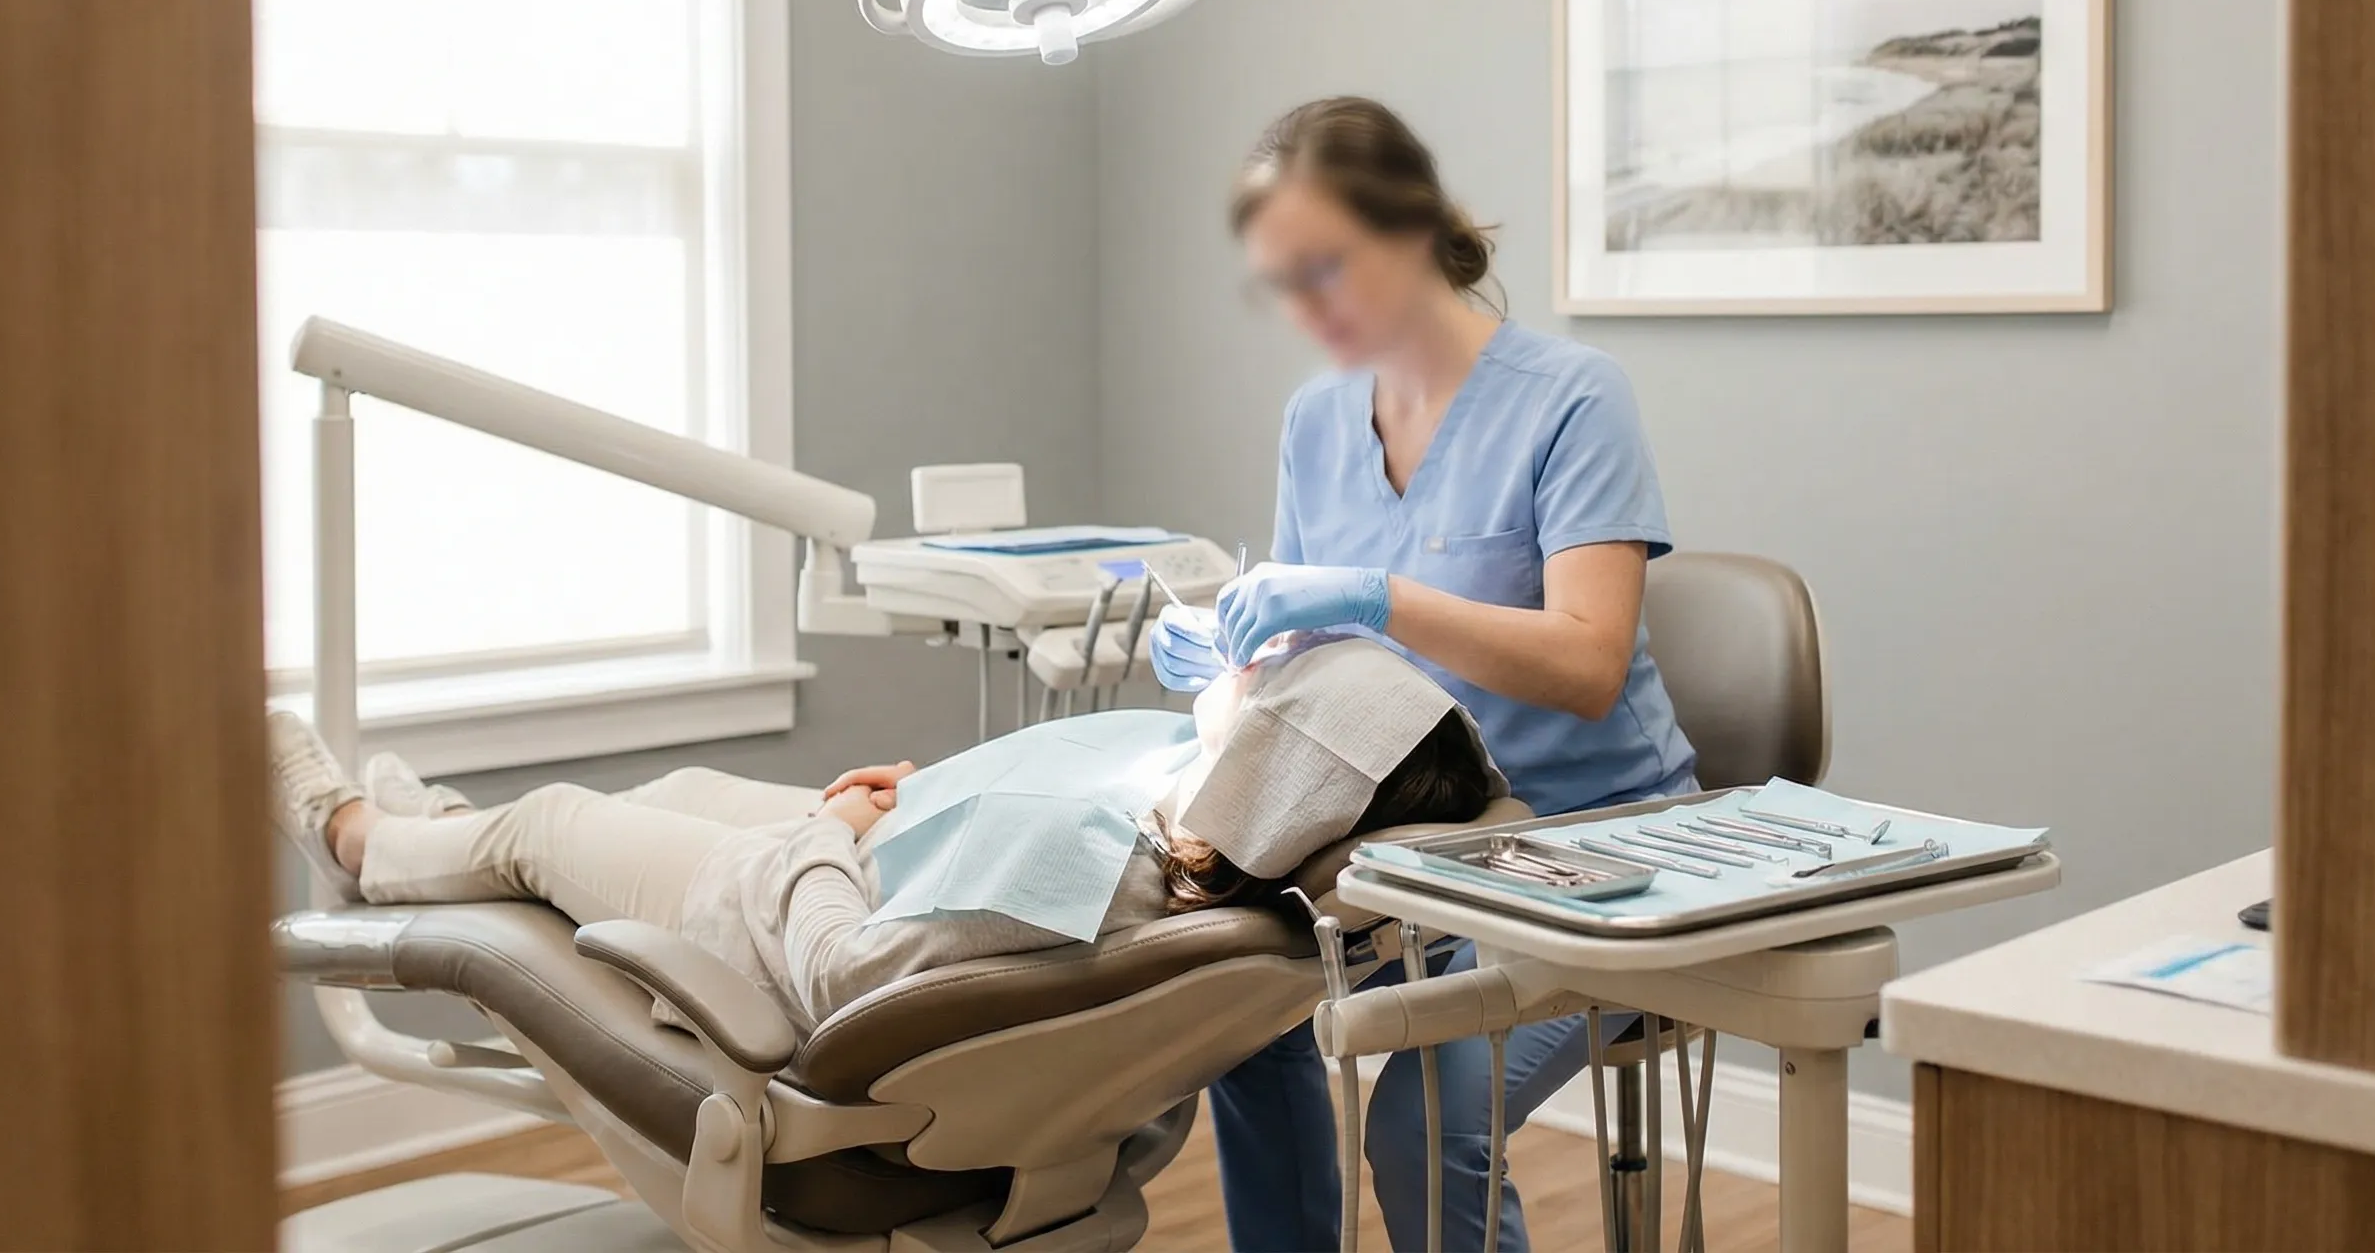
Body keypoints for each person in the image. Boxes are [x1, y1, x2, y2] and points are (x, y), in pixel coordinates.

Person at [1153, 95, 1698, 1252]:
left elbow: (1591, 667)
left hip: (1598, 846)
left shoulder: (1572, 397)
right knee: (1235, 1027)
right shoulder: (1315, 419)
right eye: (1281, 281)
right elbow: (1316, 662)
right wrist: (1236, 649)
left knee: (1423, 1121)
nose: (1304, 308)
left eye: (1325, 269)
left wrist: (1377, 596)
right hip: (1403, 842)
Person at [266, 633, 1496, 1053]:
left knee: (546, 832)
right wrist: (927, 797)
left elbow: (848, 974)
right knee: (686, 775)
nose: (1261, 664)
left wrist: (828, 833)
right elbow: (1039, 812)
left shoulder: (1089, 876)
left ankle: (360, 841)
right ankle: (439, 836)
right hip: (876, 848)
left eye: (1282, 679)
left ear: (1285, 767)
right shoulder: (1212, 837)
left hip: (783, 915)